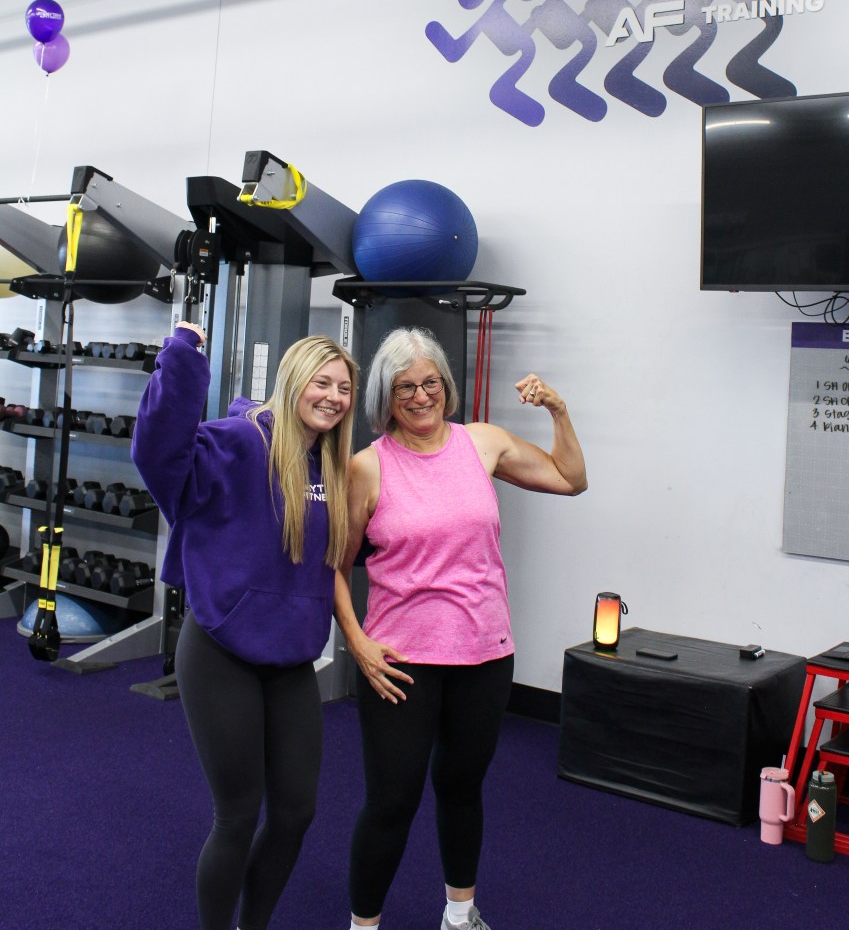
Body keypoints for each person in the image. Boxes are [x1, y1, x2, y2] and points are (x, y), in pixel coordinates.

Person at [334, 326, 587, 930]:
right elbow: (334, 570)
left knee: (462, 786)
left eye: (431, 383)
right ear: (385, 398)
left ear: (446, 385)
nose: (421, 397)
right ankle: (363, 926)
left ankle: (460, 913)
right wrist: (358, 643)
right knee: (392, 802)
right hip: (400, 663)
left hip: (484, 654)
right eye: (404, 388)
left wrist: (558, 410)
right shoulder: (366, 468)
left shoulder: (482, 443)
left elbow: (570, 478)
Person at [131, 321, 358, 930]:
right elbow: (158, 453)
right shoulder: (237, 442)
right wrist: (182, 357)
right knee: (237, 813)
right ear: (293, 381)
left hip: (290, 659)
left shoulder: (331, 466)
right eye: (322, 382)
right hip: (220, 651)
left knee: (296, 812)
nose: (333, 397)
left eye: (344, 387)